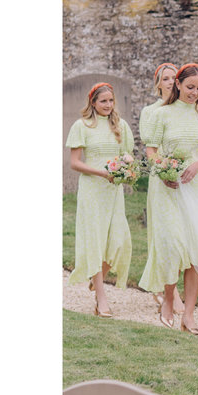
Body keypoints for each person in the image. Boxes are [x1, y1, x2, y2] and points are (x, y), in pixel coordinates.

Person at [138, 63, 198, 335]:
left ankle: (189, 314)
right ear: (177, 85)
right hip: (168, 188)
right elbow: (151, 150)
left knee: (196, 249)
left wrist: (197, 167)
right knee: (172, 245)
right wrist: (163, 172)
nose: (194, 93)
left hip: (194, 186)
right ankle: (167, 300)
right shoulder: (162, 114)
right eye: (189, 87)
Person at [66, 82, 135, 318]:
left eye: (111, 101)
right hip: (92, 190)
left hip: (113, 191)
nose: (108, 105)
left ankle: (98, 278)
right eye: (103, 101)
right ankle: (101, 299)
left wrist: (126, 168)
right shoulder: (81, 126)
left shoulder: (121, 126)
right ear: (93, 103)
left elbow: (128, 156)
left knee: (120, 241)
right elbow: (75, 163)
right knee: (95, 240)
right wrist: (101, 172)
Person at [139, 62, 186, 314]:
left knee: (183, 237)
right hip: (162, 179)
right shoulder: (151, 111)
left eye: (173, 78)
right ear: (158, 83)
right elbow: (151, 148)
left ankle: (165, 286)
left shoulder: (184, 109)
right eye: (165, 78)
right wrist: (164, 170)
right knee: (167, 236)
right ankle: (170, 291)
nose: (170, 82)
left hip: (185, 182)